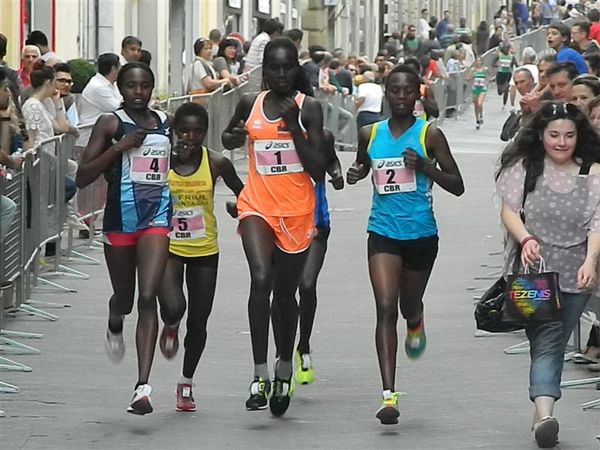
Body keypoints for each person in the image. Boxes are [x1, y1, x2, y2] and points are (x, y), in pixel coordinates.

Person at [346, 64, 464, 425]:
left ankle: (416, 318)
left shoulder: (430, 134)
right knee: (385, 306)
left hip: (421, 235)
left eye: (407, 91)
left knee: (407, 306)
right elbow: (363, 165)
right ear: (386, 92)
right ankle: (388, 396)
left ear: (418, 95)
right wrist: (356, 173)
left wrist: (426, 166)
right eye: (394, 90)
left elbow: (457, 185)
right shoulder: (369, 132)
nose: (400, 97)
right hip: (382, 232)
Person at [221, 37, 326, 417]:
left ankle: (284, 367)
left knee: (285, 298)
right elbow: (229, 134)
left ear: (296, 69)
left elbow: (317, 168)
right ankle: (259, 373)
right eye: (274, 68)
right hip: (257, 205)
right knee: (261, 279)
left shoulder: (309, 107)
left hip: (297, 211)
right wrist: (233, 136)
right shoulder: (250, 103)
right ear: (265, 71)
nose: (281, 75)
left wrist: (294, 129)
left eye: (287, 68)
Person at [495, 101, 600, 448]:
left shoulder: (593, 173)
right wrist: (525, 238)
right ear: (541, 135)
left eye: (569, 135)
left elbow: (596, 223)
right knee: (546, 341)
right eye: (554, 134)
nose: (561, 142)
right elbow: (509, 212)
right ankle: (544, 414)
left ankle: (542, 411)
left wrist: (591, 260)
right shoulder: (524, 168)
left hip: (577, 273)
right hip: (533, 272)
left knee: (552, 342)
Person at [75, 63, 172, 415]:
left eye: (145, 85)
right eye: (131, 85)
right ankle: (115, 317)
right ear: (122, 88)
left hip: (156, 220)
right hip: (119, 221)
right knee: (126, 299)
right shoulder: (110, 123)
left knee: (149, 297)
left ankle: (141, 387)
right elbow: (83, 176)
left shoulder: (165, 122)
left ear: (152, 87)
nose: (138, 91)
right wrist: (120, 148)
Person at [156, 102, 243, 412]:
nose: (189, 138)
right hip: (168, 246)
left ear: (205, 134)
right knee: (175, 306)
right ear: (173, 132)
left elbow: (243, 193)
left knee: (199, 320)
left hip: (205, 248)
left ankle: (186, 381)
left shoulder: (217, 163)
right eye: (183, 131)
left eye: (196, 132)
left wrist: (238, 208)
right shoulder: (162, 161)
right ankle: (169, 323)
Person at [77, 53, 122, 147]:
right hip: (90, 139)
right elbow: (119, 108)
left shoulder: (110, 84)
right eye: (120, 66)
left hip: (102, 136)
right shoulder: (98, 87)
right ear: (114, 69)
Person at [494, 43, 518, 111]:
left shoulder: (511, 57)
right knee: (500, 92)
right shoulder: (500, 56)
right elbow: (493, 63)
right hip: (500, 74)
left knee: (506, 90)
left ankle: (504, 105)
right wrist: (497, 66)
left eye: (507, 48)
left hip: (508, 74)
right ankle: (503, 89)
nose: (506, 50)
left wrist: (515, 70)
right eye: (504, 48)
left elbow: (516, 65)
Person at [470, 57, 488, 129]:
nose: (478, 62)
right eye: (477, 61)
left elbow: (488, 76)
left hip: (482, 89)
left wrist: (486, 82)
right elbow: (468, 78)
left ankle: (481, 115)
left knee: (480, 103)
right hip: (475, 88)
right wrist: (470, 72)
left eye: (479, 61)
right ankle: (477, 119)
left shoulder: (484, 69)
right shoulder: (473, 70)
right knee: (476, 105)